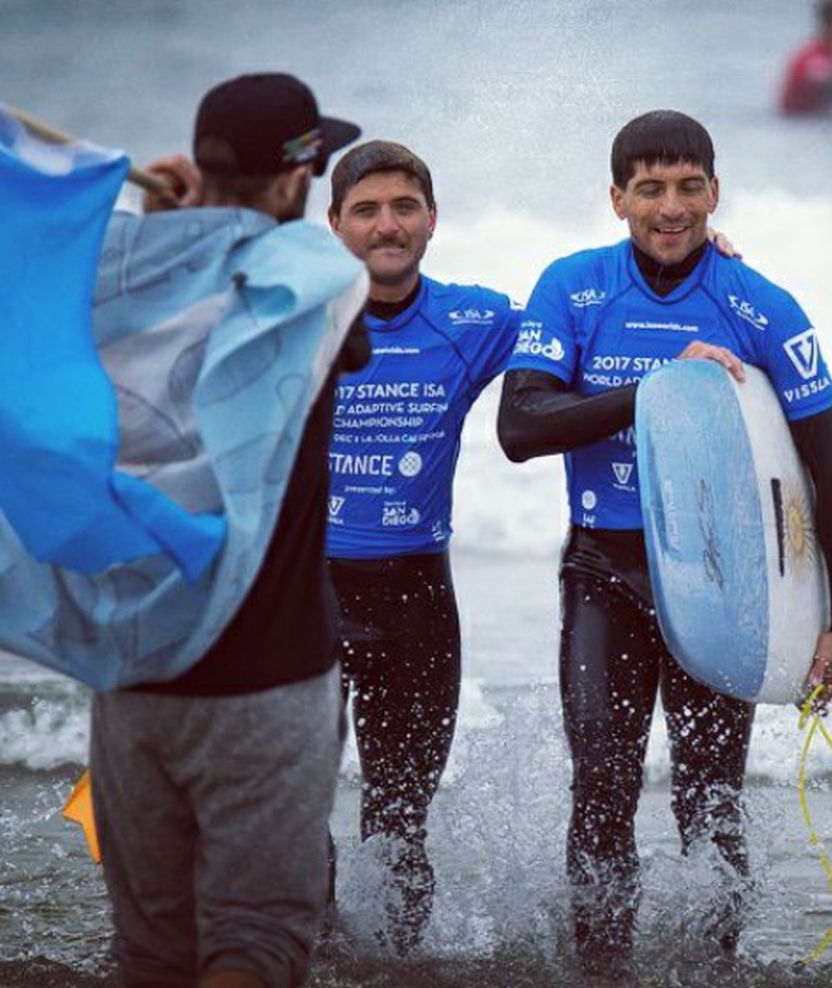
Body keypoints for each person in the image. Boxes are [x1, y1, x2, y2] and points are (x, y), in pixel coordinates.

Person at [497, 110, 832, 972]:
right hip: (604, 570)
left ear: (715, 190)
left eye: (689, 186)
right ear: (618, 198)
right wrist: (661, 390)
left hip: (723, 578)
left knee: (712, 800)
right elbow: (521, 425)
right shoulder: (574, 287)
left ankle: (713, 968)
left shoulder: (760, 304)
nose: (672, 207)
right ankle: (603, 968)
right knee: (603, 787)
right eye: (651, 188)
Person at [87, 73, 368, 988]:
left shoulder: (119, 286)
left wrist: (172, 222)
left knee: (153, 952)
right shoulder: (323, 285)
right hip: (267, 677)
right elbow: (305, 292)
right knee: (254, 942)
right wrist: (217, 218)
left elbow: (157, 282)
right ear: (295, 181)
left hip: (134, 667)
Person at [319, 141, 520, 953]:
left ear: (432, 220)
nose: (387, 225)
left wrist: (701, 260)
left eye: (404, 207)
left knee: (401, 821)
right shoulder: (295, 319)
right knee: (295, 814)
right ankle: (309, 955)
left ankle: (397, 965)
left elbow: (586, 331)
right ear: (334, 225)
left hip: (416, 604)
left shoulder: (476, 319)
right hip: (306, 598)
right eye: (365, 210)